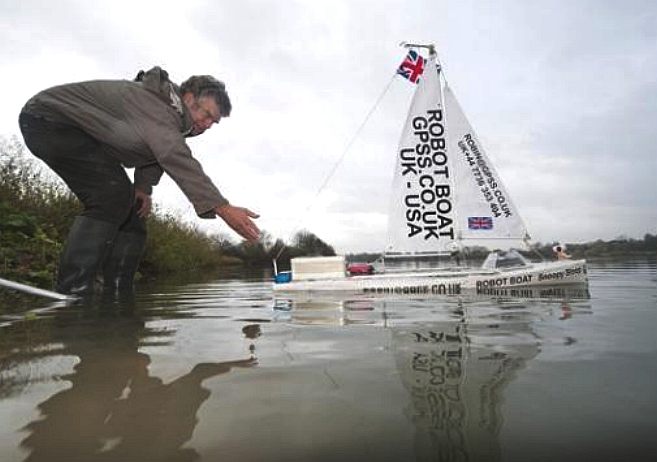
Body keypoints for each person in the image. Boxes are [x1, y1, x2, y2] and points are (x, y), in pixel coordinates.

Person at [18, 67, 260, 296]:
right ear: (187, 98)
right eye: (205, 114)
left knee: (134, 210)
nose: (206, 125)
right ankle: (73, 292)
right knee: (111, 197)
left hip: (85, 139)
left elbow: (155, 153)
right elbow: (172, 153)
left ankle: (119, 293)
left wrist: (143, 188)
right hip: (48, 120)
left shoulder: (174, 121)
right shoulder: (158, 104)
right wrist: (222, 207)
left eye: (213, 122)